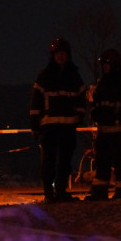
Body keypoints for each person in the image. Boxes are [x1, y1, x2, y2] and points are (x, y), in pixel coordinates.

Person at [29, 38, 86, 203]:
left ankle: (60, 192)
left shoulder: (74, 76)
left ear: (68, 55)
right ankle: (49, 194)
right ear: (53, 56)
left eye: (63, 53)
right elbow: (35, 102)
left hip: (68, 126)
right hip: (49, 127)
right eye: (58, 53)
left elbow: (82, 97)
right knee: (48, 161)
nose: (61, 56)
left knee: (65, 162)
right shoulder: (44, 76)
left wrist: (79, 115)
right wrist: (34, 125)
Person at [85, 49, 121, 201]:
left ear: (114, 64)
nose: (104, 67)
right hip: (103, 129)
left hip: (119, 129)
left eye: (107, 64)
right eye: (103, 64)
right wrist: (95, 113)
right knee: (102, 161)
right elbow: (96, 102)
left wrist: (120, 115)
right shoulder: (102, 82)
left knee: (120, 161)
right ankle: (100, 192)